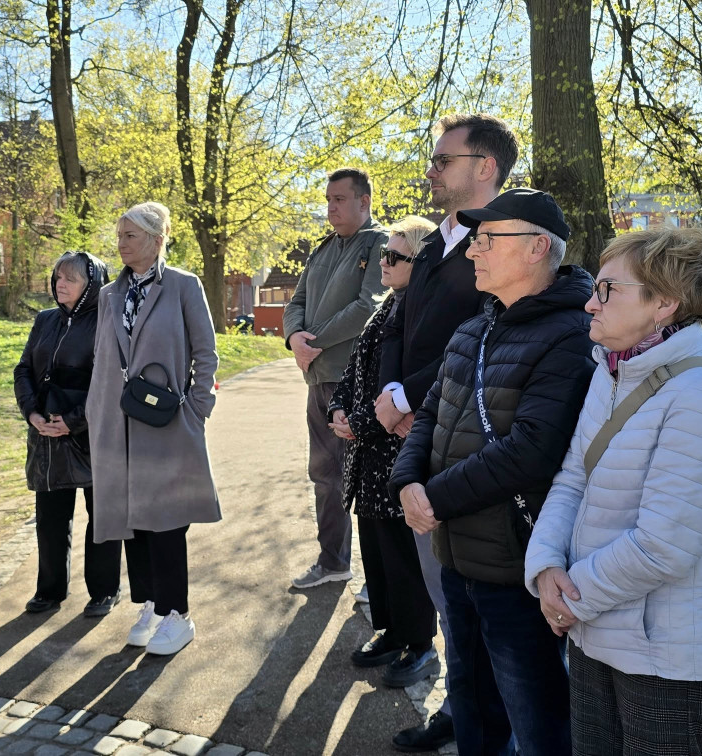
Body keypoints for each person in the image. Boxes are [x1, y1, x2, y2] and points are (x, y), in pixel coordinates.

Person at [524, 227, 702, 756]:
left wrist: (570, 597)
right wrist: (545, 567)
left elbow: (662, 546)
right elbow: (572, 479)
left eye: (608, 290)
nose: (590, 303)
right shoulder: (611, 374)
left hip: (664, 664)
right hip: (592, 638)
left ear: (664, 304)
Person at [390, 188, 597, 755]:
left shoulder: (572, 334)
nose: (472, 250)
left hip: (515, 566)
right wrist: (406, 482)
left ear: (536, 248)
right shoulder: (475, 327)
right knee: (474, 709)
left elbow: (531, 449)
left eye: (486, 239)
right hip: (457, 557)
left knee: (537, 719)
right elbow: (430, 413)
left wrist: (432, 498)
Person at [375, 112, 520, 753]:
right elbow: (399, 324)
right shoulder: (435, 241)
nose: (431, 170)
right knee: (443, 589)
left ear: (484, 167)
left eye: (443, 160)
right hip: (416, 429)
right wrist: (390, 391)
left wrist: (413, 396)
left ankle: (490, 722)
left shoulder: (504, 243)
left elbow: (487, 338)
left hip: (465, 438)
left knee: (480, 602)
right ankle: (460, 708)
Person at [86, 202, 220, 656]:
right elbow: (103, 357)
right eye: (119, 235)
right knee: (133, 518)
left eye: (131, 236)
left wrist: (196, 410)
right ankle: (151, 605)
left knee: (167, 519)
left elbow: (206, 352)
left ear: (157, 240)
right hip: (116, 424)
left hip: (166, 424)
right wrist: (96, 411)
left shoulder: (183, 285)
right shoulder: (109, 294)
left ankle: (177, 613)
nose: (121, 244)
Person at [327, 217, 440, 693]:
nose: (384, 262)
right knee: (377, 553)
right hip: (368, 459)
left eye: (395, 256)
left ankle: (420, 645)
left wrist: (362, 422)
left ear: (421, 262)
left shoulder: (422, 313)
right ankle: (392, 632)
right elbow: (354, 372)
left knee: (404, 558)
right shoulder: (385, 308)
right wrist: (338, 408)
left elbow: (408, 391)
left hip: (396, 455)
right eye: (383, 254)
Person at [283, 167, 388, 590]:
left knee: (369, 477)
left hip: (357, 381)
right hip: (319, 380)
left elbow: (369, 306)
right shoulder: (322, 248)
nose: (331, 207)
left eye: (339, 199)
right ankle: (333, 562)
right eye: (328, 200)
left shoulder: (381, 243)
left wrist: (315, 342)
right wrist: (294, 338)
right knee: (325, 476)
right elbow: (296, 302)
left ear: (364, 201)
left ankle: (380, 581)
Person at [13, 251, 123, 617]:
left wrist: (74, 420)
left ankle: (104, 590)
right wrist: (32, 413)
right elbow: (23, 370)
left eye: (70, 279)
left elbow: (110, 383)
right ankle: (49, 590)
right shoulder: (45, 319)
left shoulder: (108, 321)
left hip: (92, 436)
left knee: (102, 517)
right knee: (50, 519)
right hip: (46, 435)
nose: (60, 284)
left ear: (91, 286)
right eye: (58, 277)